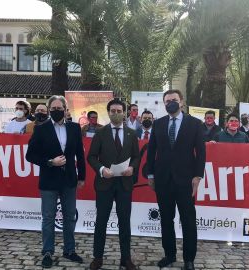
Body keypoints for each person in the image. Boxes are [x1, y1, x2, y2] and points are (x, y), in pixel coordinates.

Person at [147, 89, 206, 270]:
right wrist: (150, 174)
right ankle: (169, 254)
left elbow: (201, 152)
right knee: (166, 219)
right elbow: (151, 151)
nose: (170, 103)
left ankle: (189, 259)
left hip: (186, 180)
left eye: (173, 100)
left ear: (181, 102)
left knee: (188, 220)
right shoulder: (158, 124)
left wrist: (197, 176)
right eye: (167, 101)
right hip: (163, 180)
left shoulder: (195, 124)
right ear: (164, 104)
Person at [26, 95, 86, 268]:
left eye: (60, 108)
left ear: (66, 109)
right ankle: (47, 252)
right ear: (49, 109)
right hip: (49, 180)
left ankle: (69, 250)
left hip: (69, 180)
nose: (57, 111)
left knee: (69, 217)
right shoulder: (41, 129)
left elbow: (80, 155)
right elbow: (30, 155)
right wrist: (50, 162)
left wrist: (81, 176)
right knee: (48, 217)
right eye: (54, 108)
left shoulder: (75, 128)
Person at [87, 99, 140, 270]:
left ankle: (126, 258)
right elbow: (92, 157)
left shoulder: (132, 134)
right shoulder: (100, 133)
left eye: (119, 111)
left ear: (124, 113)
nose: (116, 113)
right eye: (113, 111)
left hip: (124, 184)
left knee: (125, 222)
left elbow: (136, 156)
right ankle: (98, 257)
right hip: (105, 184)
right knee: (101, 221)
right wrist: (102, 169)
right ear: (108, 112)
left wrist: (132, 167)